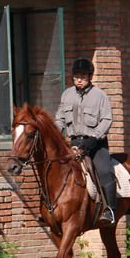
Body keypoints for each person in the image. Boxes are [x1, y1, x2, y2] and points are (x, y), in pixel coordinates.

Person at [55, 57, 116, 223]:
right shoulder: (66, 94)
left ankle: (110, 210)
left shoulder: (100, 96)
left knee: (104, 171)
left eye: (82, 76)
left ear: (90, 77)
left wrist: (95, 136)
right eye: (76, 77)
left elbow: (106, 119)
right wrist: (56, 131)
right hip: (74, 143)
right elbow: (60, 118)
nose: (79, 80)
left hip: (95, 145)